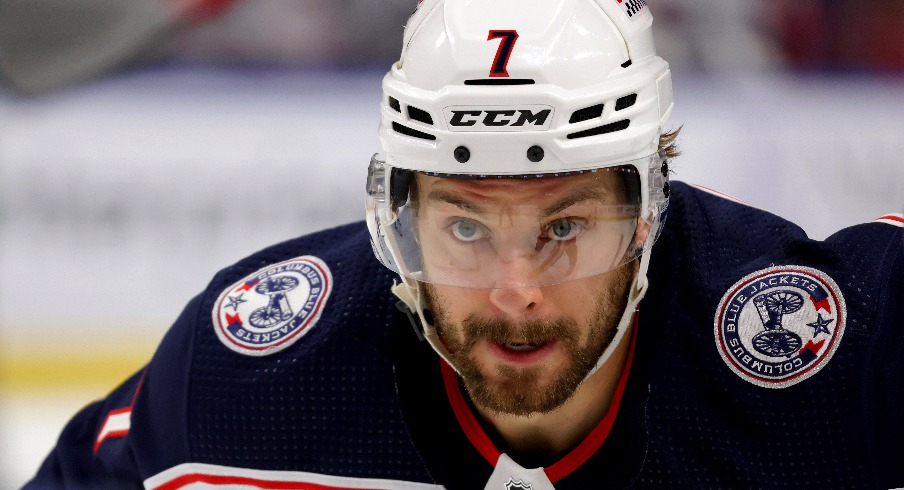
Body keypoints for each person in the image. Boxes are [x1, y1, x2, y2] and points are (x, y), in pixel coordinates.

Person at [25, 0, 904, 488]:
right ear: (397, 218)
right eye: (465, 227)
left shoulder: (847, 359)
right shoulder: (244, 382)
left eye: (565, 227)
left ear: (648, 214)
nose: (515, 288)